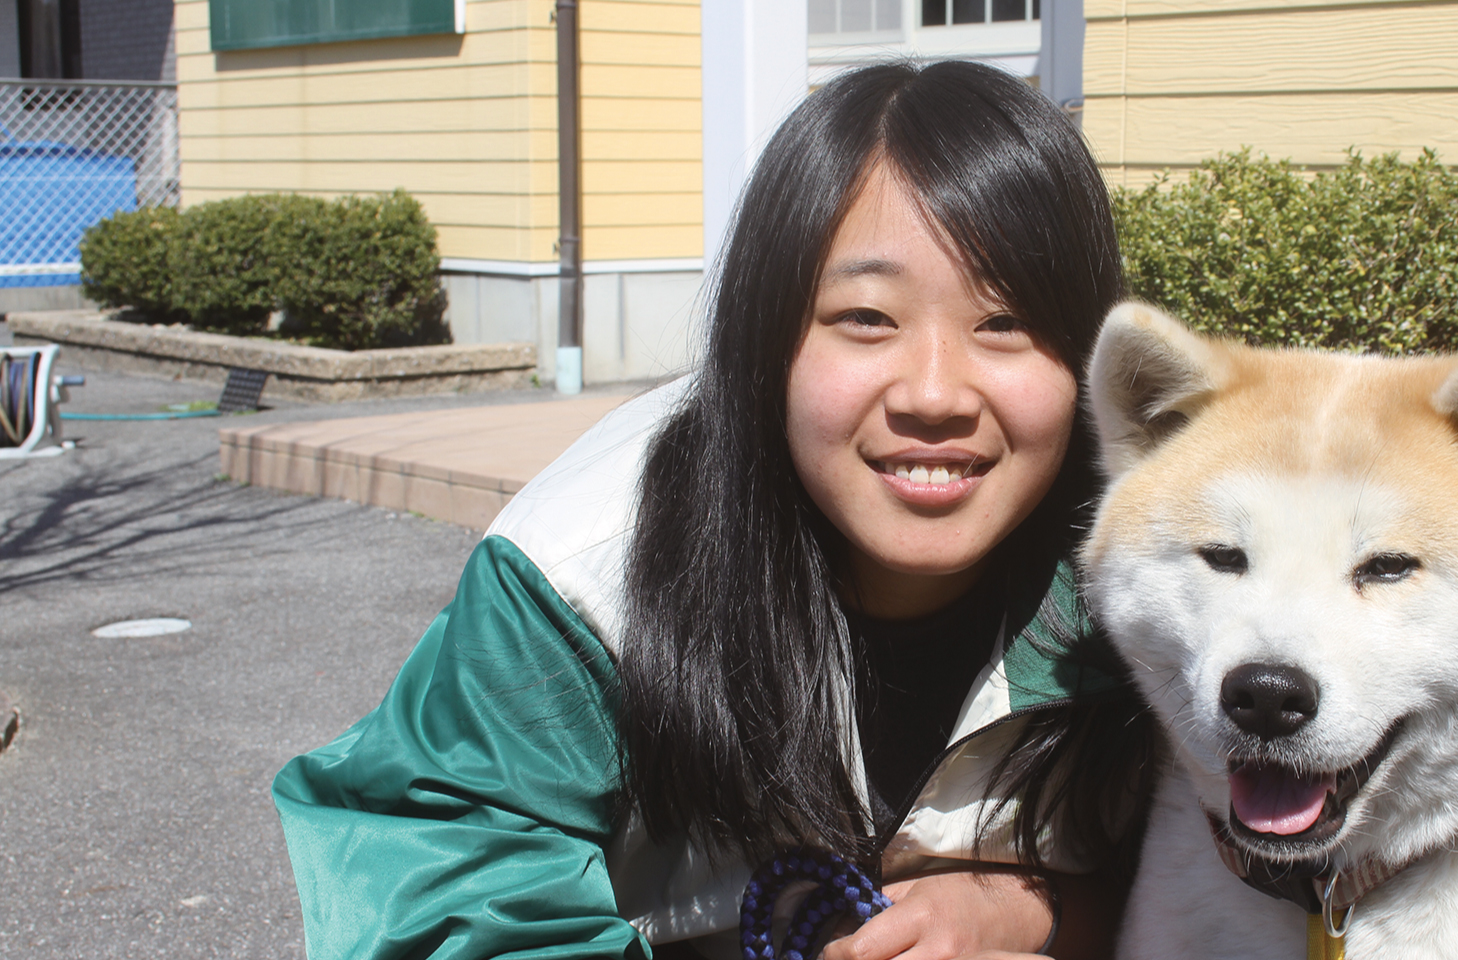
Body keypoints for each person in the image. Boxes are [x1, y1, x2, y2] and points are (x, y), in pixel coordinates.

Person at [272, 60, 1151, 960]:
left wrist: (1021, 908)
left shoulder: (1172, 575)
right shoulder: (581, 574)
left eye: (1004, 321)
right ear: (767, 338)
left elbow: (1249, 881)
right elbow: (447, 889)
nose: (934, 394)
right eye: (866, 317)